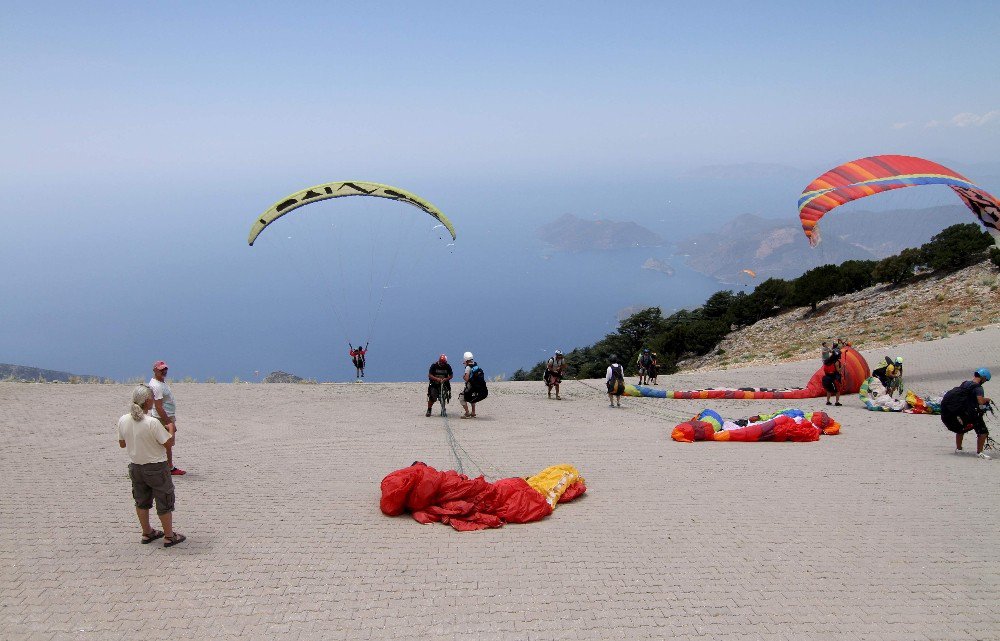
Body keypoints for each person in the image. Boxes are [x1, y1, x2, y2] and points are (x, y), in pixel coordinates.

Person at [117, 384, 185, 548]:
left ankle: (147, 532)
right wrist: (170, 429)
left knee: (141, 500)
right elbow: (169, 443)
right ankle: (169, 536)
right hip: (156, 467)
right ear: (148, 401)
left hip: (136, 467)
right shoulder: (152, 423)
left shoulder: (123, 419)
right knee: (164, 500)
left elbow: (122, 443)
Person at [941, 368, 993, 459]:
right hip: (972, 413)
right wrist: (987, 400)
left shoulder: (965, 383)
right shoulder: (978, 388)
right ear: (983, 377)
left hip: (962, 411)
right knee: (983, 432)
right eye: (986, 379)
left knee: (961, 430)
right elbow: (980, 401)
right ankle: (980, 452)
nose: (985, 381)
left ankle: (959, 449)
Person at [149, 361, 184, 475]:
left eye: (165, 369)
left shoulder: (160, 382)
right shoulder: (157, 386)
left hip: (166, 416)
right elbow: (158, 407)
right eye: (161, 370)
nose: (164, 371)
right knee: (166, 443)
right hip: (162, 417)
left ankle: (166, 466)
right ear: (155, 370)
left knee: (166, 443)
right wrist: (169, 423)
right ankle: (168, 467)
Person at [459, 351, 488, 418]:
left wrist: (464, 377)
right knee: (472, 397)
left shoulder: (468, 367)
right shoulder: (475, 365)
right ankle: (473, 412)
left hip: (471, 385)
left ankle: (467, 413)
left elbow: (466, 378)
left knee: (462, 398)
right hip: (476, 386)